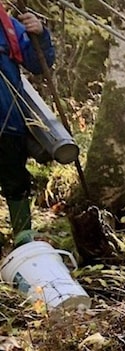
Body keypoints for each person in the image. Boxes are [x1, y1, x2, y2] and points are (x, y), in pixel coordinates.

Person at [0, 5, 54, 247]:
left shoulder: (9, 26)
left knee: (16, 183)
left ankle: (24, 244)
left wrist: (40, 34)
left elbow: (39, 64)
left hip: (8, 122)